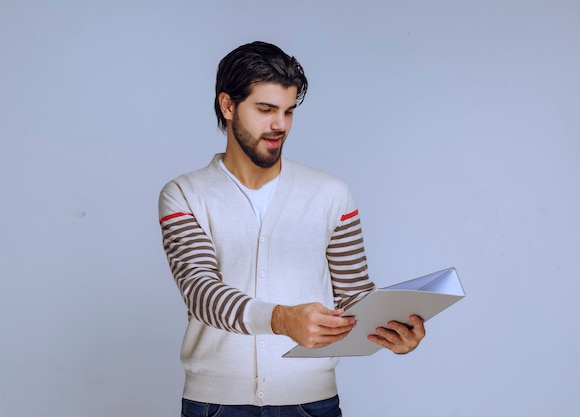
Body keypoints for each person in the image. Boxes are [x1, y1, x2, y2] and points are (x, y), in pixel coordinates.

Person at [158, 41, 425, 417]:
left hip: (312, 403)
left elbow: (353, 297)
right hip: (215, 406)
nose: (280, 125)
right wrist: (282, 319)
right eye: (265, 110)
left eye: (288, 111)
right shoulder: (185, 194)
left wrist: (392, 330)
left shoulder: (332, 194)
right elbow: (201, 292)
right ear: (228, 106)